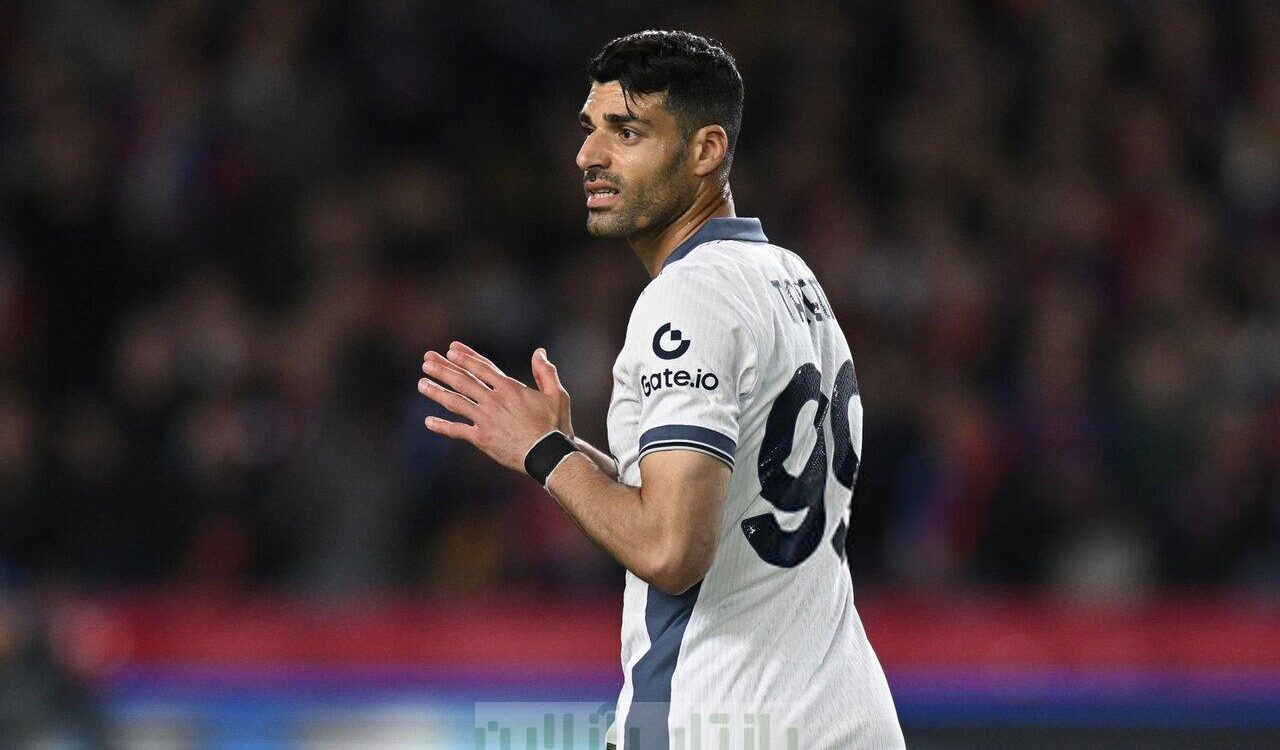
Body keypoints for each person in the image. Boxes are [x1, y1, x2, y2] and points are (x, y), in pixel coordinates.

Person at [418, 30, 903, 750]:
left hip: (726, 720)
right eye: (590, 129)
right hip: (843, 716)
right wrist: (563, 451)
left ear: (707, 150)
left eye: (627, 132)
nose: (588, 155)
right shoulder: (790, 277)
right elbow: (727, 503)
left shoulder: (690, 297)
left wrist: (546, 456)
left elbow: (674, 549)